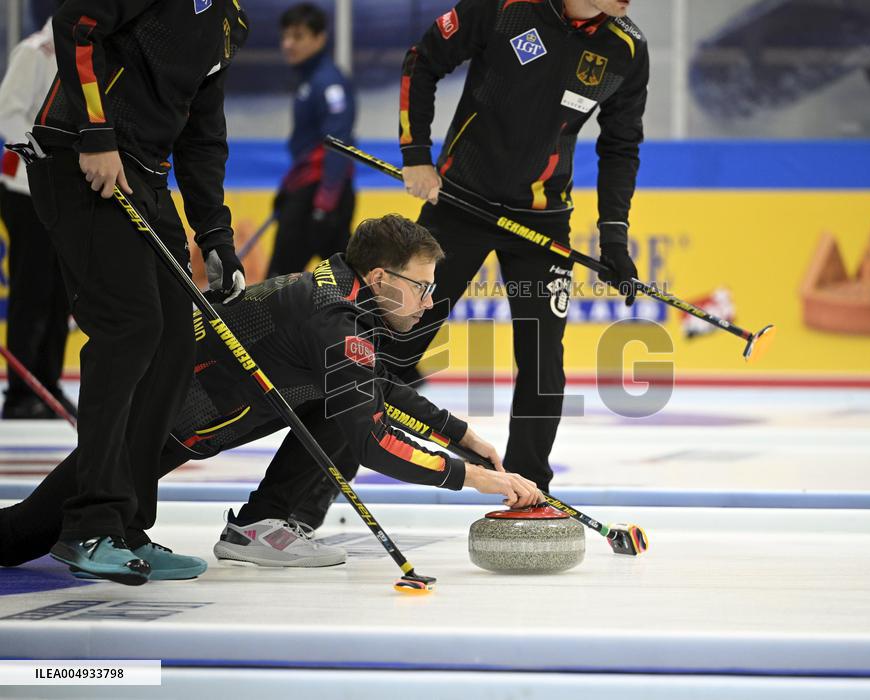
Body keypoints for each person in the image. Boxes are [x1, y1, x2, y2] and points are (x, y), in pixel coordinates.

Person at [0, 214, 543, 573]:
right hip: (157, 423)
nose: (428, 302)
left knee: (346, 401)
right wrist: (478, 479)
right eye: (422, 287)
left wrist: (462, 436)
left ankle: (263, 522)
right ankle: (257, 523)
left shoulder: (340, 297)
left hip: (181, 419)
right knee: (20, 535)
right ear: (381, 277)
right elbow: (373, 443)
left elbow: (371, 386)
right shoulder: (334, 321)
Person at [17, 0, 249, 585]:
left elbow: (203, 133)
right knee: (132, 327)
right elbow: (77, 24)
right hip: (80, 159)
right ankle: (89, 524)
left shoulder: (230, 21)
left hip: (145, 174)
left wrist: (215, 235)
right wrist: (95, 133)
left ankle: (125, 525)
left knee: (174, 344)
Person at [390, 0, 649, 491]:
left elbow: (621, 145)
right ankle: (306, 490)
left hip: (542, 222)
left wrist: (614, 236)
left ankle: (529, 491)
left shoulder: (627, 48)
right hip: (459, 204)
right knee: (396, 345)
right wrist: (415, 153)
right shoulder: (506, 6)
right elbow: (422, 60)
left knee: (543, 362)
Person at [0, 16, 75, 420]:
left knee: (62, 291)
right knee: (32, 289)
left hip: (65, 191)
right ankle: (20, 390)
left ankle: (48, 382)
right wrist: (43, 156)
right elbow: (7, 115)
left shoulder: (85, 53)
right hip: (25, 189)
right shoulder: (34, 52)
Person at [268, 2, 357, 276]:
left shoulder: (328, 83)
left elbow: (337, 145)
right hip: (311, 191)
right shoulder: (309, 80)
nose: (288, 44)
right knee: (348, 281)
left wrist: (325, 203)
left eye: (298, 36)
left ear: (319, 38)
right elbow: (308, 149)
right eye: (285, 36)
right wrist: (288, 187)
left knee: (277, 283)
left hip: (319, 194)